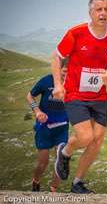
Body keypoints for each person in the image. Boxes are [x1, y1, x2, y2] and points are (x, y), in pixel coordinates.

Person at [51, 0, 107, 194]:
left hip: (99, 96)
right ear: (90, 12)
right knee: (85, 136)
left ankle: (77, 183)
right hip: (75, 94)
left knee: (97, 140)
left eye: (106, 9)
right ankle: (64, 152)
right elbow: (56, 57)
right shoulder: (76, 33)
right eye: (98, 9)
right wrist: (58, 84)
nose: (103, 13)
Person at [27, 60, 69, 192]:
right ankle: (36, 182)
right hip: (44, 128)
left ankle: (53, 190)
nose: (66, 76)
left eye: (70, 72)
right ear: (58, 69)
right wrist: (37, 111)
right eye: (64, 72)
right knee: (43, 162)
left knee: (60, 161)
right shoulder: (46, 81)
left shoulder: (73, 83)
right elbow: (30, 96)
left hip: (62, 128)